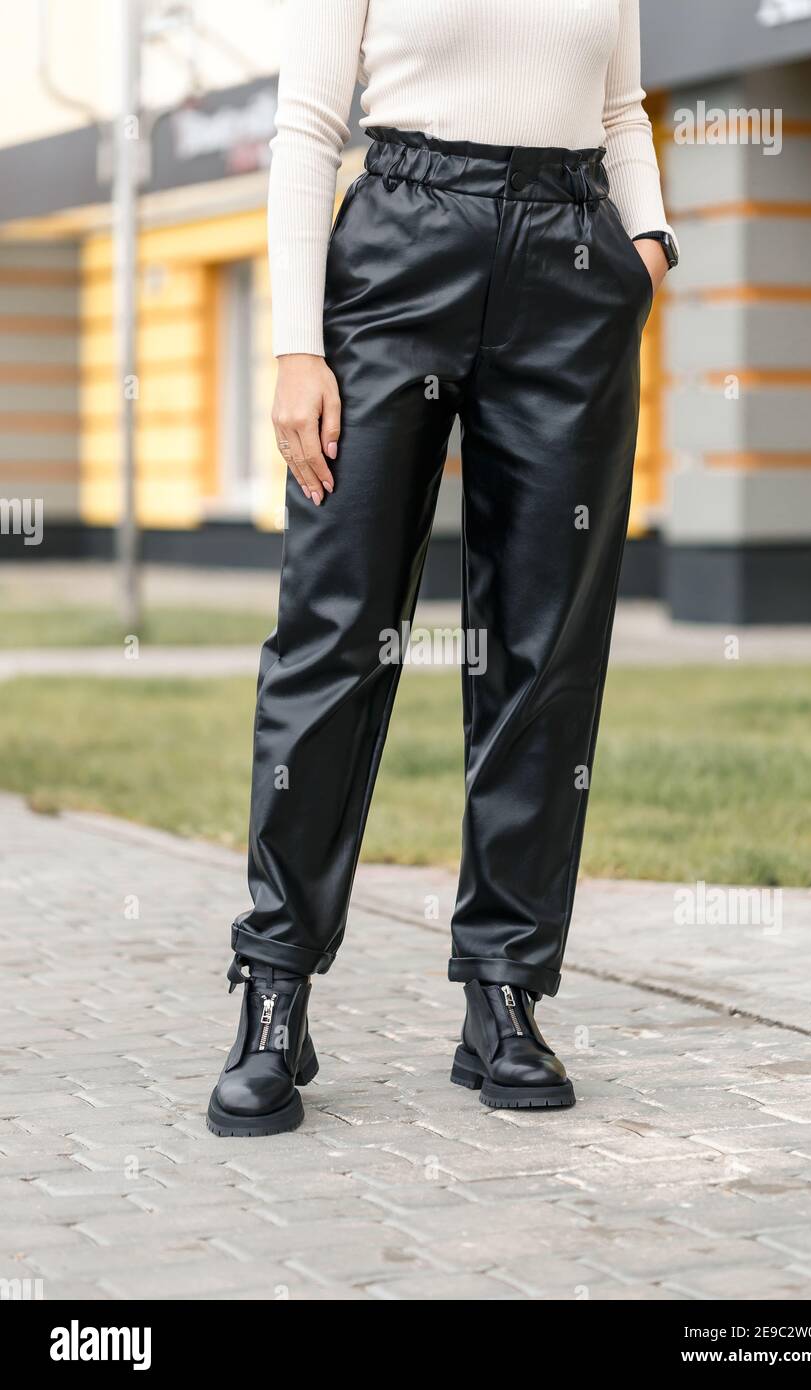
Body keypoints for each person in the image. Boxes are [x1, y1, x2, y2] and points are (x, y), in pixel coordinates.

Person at [207, 0, 678, 1137]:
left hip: (569, 267)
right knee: (335, 628)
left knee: (544, 644)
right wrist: (293, 346)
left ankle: (502, 994)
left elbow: (617, 107)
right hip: (396, 259)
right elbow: (308, 129)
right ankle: (274, 990)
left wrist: (643, 247)